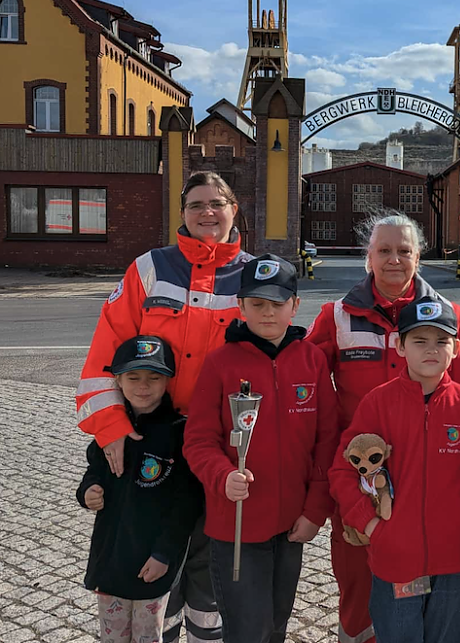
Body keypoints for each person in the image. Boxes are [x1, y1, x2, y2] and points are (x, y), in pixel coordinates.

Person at [76, 171, 252, 642]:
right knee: (155, 560)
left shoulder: (254, 273)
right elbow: (103, 356)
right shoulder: (148, 269)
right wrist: (111, 426)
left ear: (235, 209)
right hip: (154, 442)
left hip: (222, 447)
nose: (207, 213)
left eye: (217, 203)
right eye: (195, 204)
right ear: (182, 213)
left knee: (211, 565)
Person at [306, 212, 460, 643]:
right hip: (358, 478)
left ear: (418, 257)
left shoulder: (446, 315)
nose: (394, 260)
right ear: (368, 256)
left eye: (404, 251)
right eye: (384, 250)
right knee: (356, 586)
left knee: (417, 585)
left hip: (429, 483)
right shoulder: (337, 315)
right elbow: (305, 383)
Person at [184, 254, 339, 643]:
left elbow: (327, 439)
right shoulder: (220, 363)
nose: (267, 313)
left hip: (292, 525)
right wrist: (222, 476)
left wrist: (315, 510)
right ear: (240, 306)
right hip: (237, 524)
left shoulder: (313, 361)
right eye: (256, 304)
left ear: (295, 306)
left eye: (277, 304)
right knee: (247, 630)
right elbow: (198, 439)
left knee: (274, 627)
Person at [328, 295, 460, 643]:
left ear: (455, 347)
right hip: (395, 562)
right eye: (419, 341)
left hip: (454, 565)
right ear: (399, 346)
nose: (431, 350)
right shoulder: (378, 403)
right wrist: (370, 524)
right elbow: (342, 471)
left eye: (442, 341)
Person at [77, 335, 203, 643]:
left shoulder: (179, 433)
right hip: (111, 560)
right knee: (113, 636)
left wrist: (164, 554)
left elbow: (186, 504)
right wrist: (88, 492)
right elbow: (94, 472)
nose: (143, 386)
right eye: (133, 377)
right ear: (118, 380)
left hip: (152, 562)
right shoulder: (110, 433)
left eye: (153, 377)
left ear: (168, 380)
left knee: (149, 637)